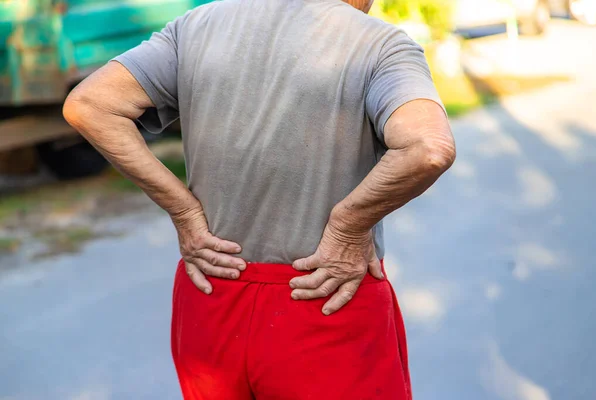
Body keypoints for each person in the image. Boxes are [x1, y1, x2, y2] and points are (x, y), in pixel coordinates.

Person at [63, 0, 455, 397]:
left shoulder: (195, 26)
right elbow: (428, 147)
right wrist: (348, 228)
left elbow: (89, 104)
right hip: (325, 297)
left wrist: (183, 211)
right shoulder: (378, 43)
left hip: (210, 297)